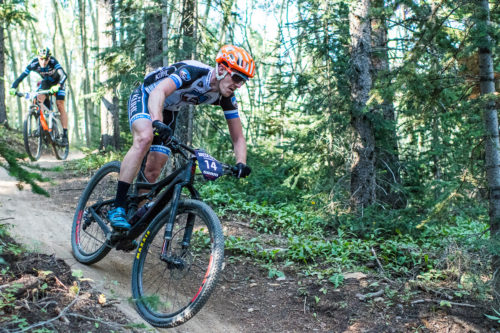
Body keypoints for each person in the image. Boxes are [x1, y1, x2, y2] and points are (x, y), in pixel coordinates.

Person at [107, 44, 255, 230]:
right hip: (147, 95)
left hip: (169, 110)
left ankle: (133, 223)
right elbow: (158, 92)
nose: (238, 85)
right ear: (221, 69)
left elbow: (238, 137)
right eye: (236, 77)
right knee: (145, 137)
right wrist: (157, 122)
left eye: (243, 81)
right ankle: (118, 206)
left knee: (155, 167)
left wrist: (241, 162)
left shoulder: (226, 97)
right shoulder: (192, 72)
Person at [9, 47, 69, 146]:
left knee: (60, 104)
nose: (44, 61)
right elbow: (21, 77)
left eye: (46, 59)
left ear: (49, 58)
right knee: (37, 99)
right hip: (46, 83)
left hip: (59, 83)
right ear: (38, 57)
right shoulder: (34, 64)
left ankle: (65, 136)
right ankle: (41, 125)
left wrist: (58, 86)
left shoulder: (53, 62)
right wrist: (13, 87)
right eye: (41, 59)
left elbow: (64, 75)